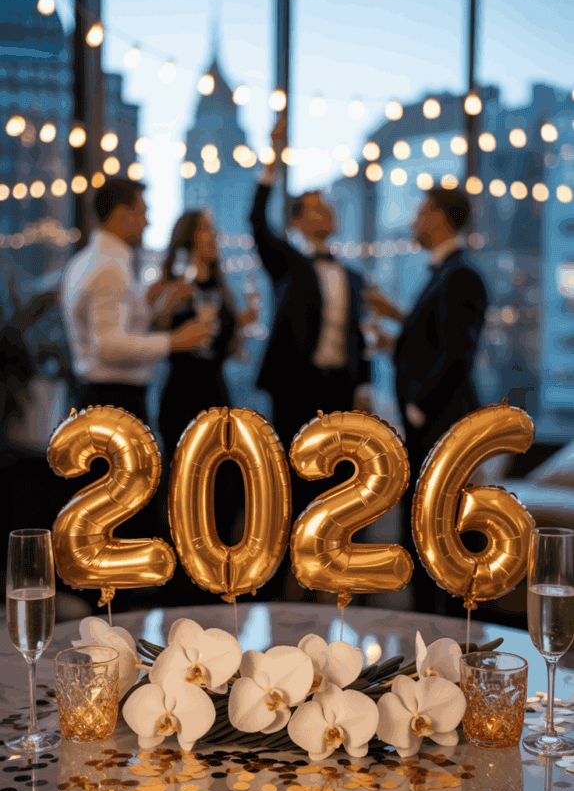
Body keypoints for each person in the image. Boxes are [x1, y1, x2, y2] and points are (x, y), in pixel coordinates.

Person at [365, 186, 488, 614]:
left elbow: (457, 354)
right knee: (428, 534)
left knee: (441, 539)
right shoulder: (446, 273)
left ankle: (444, 647)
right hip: (433, 426)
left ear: (438, 216)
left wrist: (417, 409)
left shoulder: (461, 275)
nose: (415, 220)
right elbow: (435, 338)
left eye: (420, 211)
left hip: (442, 428)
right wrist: (399, 332)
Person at [250, 117, 372, 470]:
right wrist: (272, 158)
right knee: (294, 475)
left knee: (341, 477)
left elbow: (358, 334)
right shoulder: (287, 263)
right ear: (298, 222)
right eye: (317, 206)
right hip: (294, 388)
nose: (328, 211)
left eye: (327, 205)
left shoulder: (351, 275)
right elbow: (257, 220)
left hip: (341, 389)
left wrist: (364, 385)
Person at [61, 178, 214, 428]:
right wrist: (176, 340)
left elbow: (112, 328)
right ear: (122, 214)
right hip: (113, 401)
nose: (148, 222)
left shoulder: (87, 260)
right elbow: (109, 346)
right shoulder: (109, 267)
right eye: (143, 213)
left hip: (101, 396)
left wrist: (153, 307)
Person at [152, 210, 248, 462]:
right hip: (181, 395)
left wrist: (242, 328)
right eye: (207, 229)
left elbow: (230, 349)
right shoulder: (170, 286)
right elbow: (153, 334)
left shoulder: (222, 288)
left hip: (216, 393)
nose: (215, 235)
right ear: (188, 238)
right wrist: (165, 309)